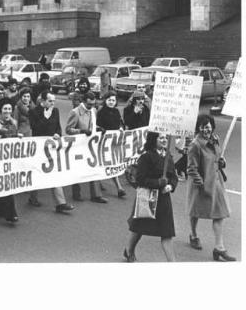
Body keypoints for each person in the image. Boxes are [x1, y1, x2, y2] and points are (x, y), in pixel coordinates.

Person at [186, 115, 235, 261]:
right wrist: (201, 184)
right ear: (198, 128)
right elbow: (191, 169)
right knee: (195, 212)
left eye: (208, 126)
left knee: (220, 213)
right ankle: (193, 235)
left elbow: (217, 158)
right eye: (203, 126)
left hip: (216, 182)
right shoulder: (195, 145)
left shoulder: (215, 139)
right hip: (200, 185)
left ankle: (219, 248)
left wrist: (222, 161)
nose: (206, 129)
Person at [124, 131, 178, 262]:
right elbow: (140, 179)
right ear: (154, 140)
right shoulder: (146, 157)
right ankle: (129, 250)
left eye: (166, 138)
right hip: (148, 197)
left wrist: (170, 186)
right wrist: (158, 183)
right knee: (139, 228)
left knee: (167, 232)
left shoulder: (168, 157)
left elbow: (174, 177)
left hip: (163, 199)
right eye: (161, 138)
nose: (164, 140)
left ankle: (173, 262)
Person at [28, 92, 75, 213]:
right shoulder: (33, 112)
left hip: (51, 148)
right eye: (50, 101)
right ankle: (33, 197)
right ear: (42, 101)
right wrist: (45, 116)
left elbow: (58, 127)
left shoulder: (55, 111)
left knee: (54, 173)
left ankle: (61, 203)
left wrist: (57, 134)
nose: (53, 103)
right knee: (37, 173)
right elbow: (36, 128)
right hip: (39, 147)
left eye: (54, 101)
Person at [65, 92, 108, 203]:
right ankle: (76, 193)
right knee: (78, 169)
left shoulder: (93, 111)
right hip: (78, 145)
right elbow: (68, 129)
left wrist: (98, 128)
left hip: (90, 145)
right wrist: (81, 131)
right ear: (83, 102)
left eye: (93, 104)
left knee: (94, 167)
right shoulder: (75, 112)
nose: (91, 107)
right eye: (89, 104)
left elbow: (92, 125)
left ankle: (96, 195)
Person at [0, 98, 21, 224]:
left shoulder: (14, 122)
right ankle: (11, 214)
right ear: (1, 110)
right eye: (5, 109)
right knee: (5, 183)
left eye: (9, 109)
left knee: (8, 183)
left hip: (10, 158)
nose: (7, 111)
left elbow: (14, 135)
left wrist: (18, 137)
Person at [96, 91, 127, 198]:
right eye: (109, 100)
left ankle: (119, 187)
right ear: (105, 100)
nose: (111, 102)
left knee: (113, 163)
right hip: (103, 142)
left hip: (114, 142)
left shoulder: (117, 111)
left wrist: (121, 128)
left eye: (113, 100)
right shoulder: (101, 112)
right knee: (102, 163)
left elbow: (119, 123)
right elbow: (98, 126)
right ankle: (99, 181)